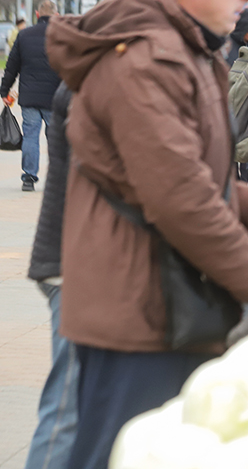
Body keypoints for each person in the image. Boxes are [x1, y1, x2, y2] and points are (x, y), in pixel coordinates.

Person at [45, 0, 248, 469]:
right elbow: (180, 196)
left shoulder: (184, 52)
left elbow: (194, 173)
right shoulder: (147, 61)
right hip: (137, 312)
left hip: (163, 302)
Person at [21, 83, 77, 469]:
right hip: (77, 266)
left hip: (32, 99)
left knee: (70, 404)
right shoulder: (108, 72)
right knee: (66, 407)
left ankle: (28, 173)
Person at [1, 0, 62, 191]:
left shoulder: (24, 35)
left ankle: (28, 177)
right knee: (56, 138)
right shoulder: (62, 36)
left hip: (30, 98)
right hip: (55, 98)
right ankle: (57, 179)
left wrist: (4, 90)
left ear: (37, 15)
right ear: (57, 15)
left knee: (30, 136)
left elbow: (11, 67)